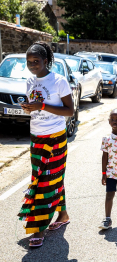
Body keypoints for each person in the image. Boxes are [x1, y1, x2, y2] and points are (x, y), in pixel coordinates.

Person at [18, 41, 73, 247]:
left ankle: (39, 228)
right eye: (29, 62)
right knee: (48, 177)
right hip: (36, 137)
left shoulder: (59, 81)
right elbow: (36, 107)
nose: (32, 65)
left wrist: (41, 105)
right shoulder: (30, 81)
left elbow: (69, 111)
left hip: (56, 137)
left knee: (46, 181)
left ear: (46, 61)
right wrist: (29, 109)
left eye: (36, 61)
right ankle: (63, 215)